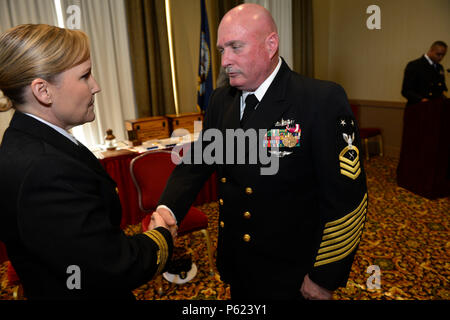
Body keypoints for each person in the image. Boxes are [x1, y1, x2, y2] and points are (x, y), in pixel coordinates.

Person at [154, 4, 368, 300]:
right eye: (221, 50)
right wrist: (168, 209)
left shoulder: (319, 100)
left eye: (235, 47)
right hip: (238, 263)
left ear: (271, 45)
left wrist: (324, 276)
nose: (225, 60)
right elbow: (198, 162)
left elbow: (347, 200)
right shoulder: (221, 101)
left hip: (293, 273)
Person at [0, 24, 173, 300]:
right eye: (85, 76)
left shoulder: (25, 140)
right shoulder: (44, 168)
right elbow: (111, 265)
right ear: (43, 91)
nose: (96, 86)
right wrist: (162, 235)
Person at [401, 41, 448, 106]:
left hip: (435, 108)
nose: (441, 58)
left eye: (443, 55)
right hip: (418, 107)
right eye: (438, 54)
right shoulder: (414, 65)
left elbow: (441, 88)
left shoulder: (439, 67)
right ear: (431, 50)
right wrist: (421, 99)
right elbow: (406, 91)